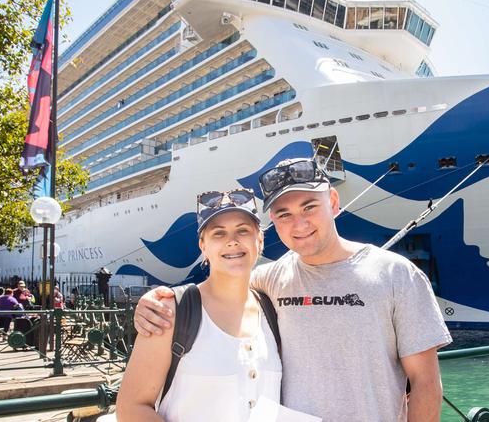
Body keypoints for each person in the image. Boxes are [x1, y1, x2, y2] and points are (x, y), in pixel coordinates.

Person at [135, 158, 452, 422]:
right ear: (272, 222)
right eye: (283, 214)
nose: (298, 223)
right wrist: (156, 300)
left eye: (309, 207)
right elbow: (218, 290)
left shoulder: (398, 275)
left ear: (333, 202)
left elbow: (426, 384)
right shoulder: (268, 281)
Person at [117, 189, 281, 422]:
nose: (232, 241)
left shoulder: (271, 311)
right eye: (218, 234)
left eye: (243, 231)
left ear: (260, 240)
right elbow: (131, 408)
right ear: (203, 246)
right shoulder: (172, 311)